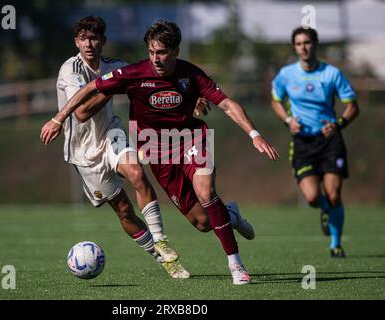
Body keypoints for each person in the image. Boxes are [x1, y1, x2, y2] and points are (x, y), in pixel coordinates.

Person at [41, 20, 279, 285]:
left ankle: (235, 266)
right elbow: (84, 108)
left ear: (176, 50)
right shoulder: (110, 72)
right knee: (198, 222)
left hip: (179, 138)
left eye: (162, 52)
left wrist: (254, 134)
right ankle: (228, 216)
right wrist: (59, 118)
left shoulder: (186, 73)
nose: (155, 58)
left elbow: (226, 103)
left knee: (194, 189)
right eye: (151, 52)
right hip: (145, 149)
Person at [52, 16, 190, 278]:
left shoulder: (116, 66)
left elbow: (152, 81)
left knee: (137, 174)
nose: (89, 43)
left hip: (111, 134)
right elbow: (81, 113)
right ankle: (160, 257)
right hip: (83, 152)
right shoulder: (71, 70)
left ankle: (161, 241)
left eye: (94, 38)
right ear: (76, 42)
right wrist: (113, 86)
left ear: (103, 41)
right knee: (124, 211)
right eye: (83, 38)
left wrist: (189, 100)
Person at [271, 27, 360, 257]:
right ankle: (324, 210)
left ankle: (336, 244)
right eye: (299, 43)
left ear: (315, 44)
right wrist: (288, 120)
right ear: (294, 47)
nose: (304, 47)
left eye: (308, 42)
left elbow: (353, 106)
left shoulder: (331, 74)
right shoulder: (286, 74)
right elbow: (276, 101)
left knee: (334, 195)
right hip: (302, 143)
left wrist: (338, 124)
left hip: (330, 141)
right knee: (312, 197)